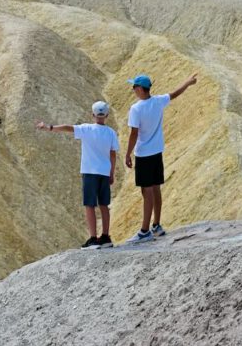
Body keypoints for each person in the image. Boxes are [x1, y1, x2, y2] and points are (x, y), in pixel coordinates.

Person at [124, 71, 198, 243]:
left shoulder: (136, 109)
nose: (133, 89)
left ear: (141, 89)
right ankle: (156, 225)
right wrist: (187, 81)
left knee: (146, 191)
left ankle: (144, 231)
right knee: (156, 188)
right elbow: (174, 93)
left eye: (134, 87)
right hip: (157, 151)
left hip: (143, 154)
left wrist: (128, 153)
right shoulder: (157, 101)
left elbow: (134, 133)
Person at [35, 100, 119, 248]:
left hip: (90, 172)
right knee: (104, 205)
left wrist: (49, 127)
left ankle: (93, 238)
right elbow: (113, 155)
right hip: (104, 172)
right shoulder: (111, 133)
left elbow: (68, 128)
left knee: (89, 205)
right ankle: (105, 237)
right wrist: (111, 173)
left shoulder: (86, 129)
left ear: (92, 114)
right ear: (107, 115)